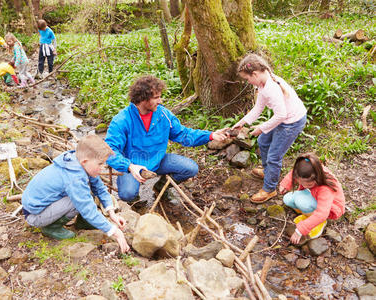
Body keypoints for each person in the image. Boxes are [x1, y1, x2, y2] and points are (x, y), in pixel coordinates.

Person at [105, 75, 228, 203]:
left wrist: (211, 135)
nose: (160, 101)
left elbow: (184, 135)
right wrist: (129, 166)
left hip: (158, 160)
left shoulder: (163, 115)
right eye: (156, 97)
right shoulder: (122, 120)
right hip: (133, 165)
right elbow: (109, 150)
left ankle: (161, 187)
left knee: (190, 168)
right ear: (143, 98)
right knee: (127, 194)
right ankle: (135, 199)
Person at [21, 135, 130, 253]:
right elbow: (87, 208)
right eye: (100, 164)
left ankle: (83, 222)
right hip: (35, 215)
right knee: (77, 200)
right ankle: (50, 227)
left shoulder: (77, 162)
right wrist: (115, 232)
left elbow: (99, 188)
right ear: (85, 161)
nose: (102, 168)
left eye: (103, 164)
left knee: (86, 191)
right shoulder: (74, 177)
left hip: (43, 205)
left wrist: (111, 212)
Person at [230, 53, 307, 203]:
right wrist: (243, 122)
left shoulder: (272, 87)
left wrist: (262, 127)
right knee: (263, 141)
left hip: (292, 122)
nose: (248, 82)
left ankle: (269, 189)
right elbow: (258, 107)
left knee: (274, 155)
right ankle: (268, 172)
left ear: (255, 73)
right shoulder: (263, 83)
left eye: (247, 79)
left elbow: (281, 115)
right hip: (284, 119)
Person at [279, 153, 345, 244]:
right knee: (287, 199)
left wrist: (300, 230)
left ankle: (320, 223)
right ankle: (309, 215)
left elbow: (322, 213)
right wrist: (285, 184)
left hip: (330, 208)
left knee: (301, 202)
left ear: (316, 177)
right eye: (301, 182)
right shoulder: (308, 169)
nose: (305, 185)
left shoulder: (326, 188)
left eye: (309, 184)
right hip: (313, 196)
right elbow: (294, 172)